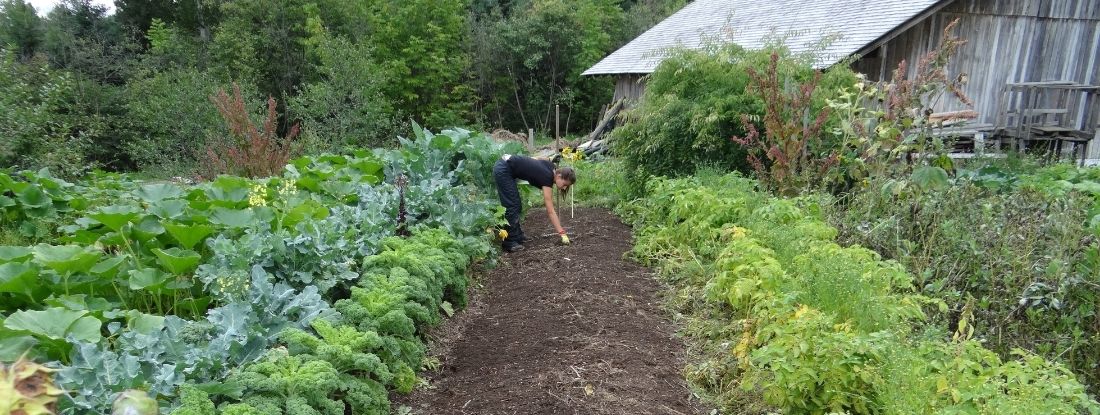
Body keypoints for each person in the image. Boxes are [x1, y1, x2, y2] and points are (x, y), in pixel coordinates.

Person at [492, 154, 575, 252]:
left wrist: (549, 158)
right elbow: (551, 211)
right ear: (559, 176)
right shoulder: (547, 177)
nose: (564, 188)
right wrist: (562, 233)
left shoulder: (552, 167)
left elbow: (537, 158)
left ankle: (517, 236)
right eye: (565, 184)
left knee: (516, 205)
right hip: (504, 169)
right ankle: (509, 242)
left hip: (507, 164)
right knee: (512, 206)